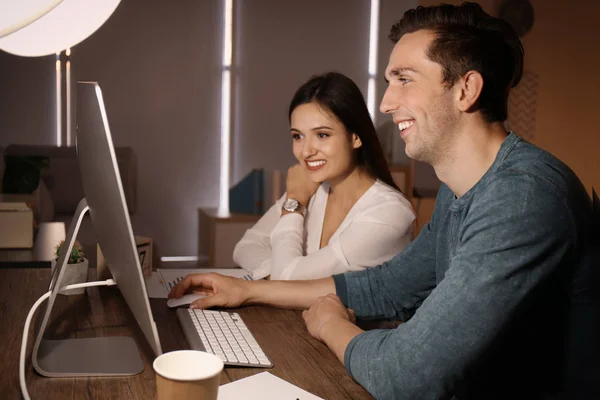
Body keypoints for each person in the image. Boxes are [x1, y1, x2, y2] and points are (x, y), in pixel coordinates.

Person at [171, 3, 599, 399]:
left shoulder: (521, 197)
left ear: (466, 89)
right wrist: (247, 292)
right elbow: (391, 284)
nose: (385, 103)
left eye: (404, 80)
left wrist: (331, 325)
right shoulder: (461, 187)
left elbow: (407, 373)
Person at [233, 72, 415, 280]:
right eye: (298, 136)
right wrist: (272, 271)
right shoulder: (312, 189)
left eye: (322, 135)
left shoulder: (388, 213)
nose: (306, 151)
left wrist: (294, 203)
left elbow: (287, 279)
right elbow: (246, 246)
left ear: (355, 137)